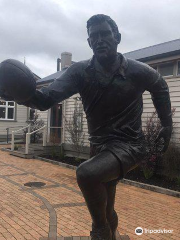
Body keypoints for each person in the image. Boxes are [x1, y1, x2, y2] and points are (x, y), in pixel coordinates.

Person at [1, 14, 172, 240]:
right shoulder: (80, 72)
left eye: (105, 34)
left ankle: (101, 231)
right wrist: (16, 93)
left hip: (130, 146)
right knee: (105, 207)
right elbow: (44, 100)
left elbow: (161, 87)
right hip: (100, 149)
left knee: (87, 175)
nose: (99, 40)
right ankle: (110, 229)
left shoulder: (137, 71)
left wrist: (166, 124)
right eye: (94, 37)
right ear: (89, 42)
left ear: (117, 37)